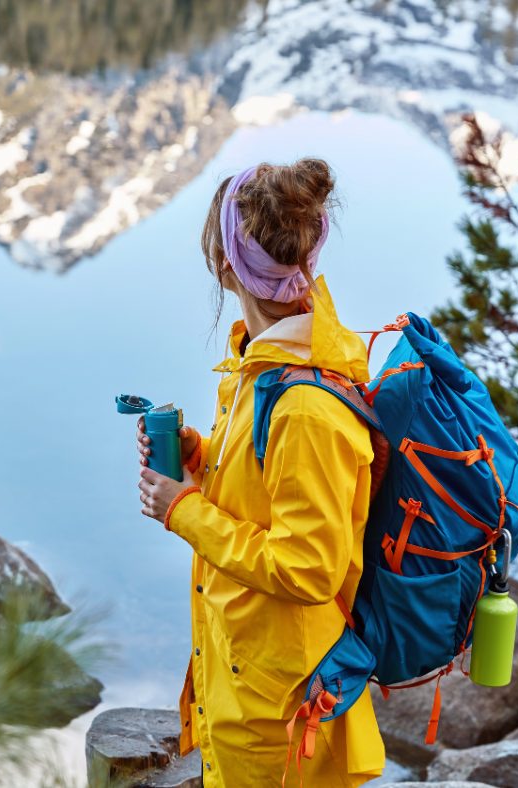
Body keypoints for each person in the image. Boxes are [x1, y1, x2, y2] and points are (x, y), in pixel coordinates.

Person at [135, 159, 385, 787]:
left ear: (225, 265)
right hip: (253, 681)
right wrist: (201, 458)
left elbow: (308, 567)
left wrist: (185, 511)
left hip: (283, 719)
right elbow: (269, 490)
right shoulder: (267, 364)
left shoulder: (303, 405)